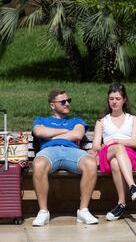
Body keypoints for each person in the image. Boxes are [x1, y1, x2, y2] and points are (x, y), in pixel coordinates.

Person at [31, 89, 98, 226]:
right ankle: (43, 212)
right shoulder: (41, 120)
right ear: (52, 105)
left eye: (68, 101)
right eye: (63, 102)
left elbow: (78, 135)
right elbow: (38, 131)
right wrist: (66, 131)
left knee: (91, 163)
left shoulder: (76, 120)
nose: (67, 104)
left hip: (71, 151)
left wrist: (51, 136)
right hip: (49, 151)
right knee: (38, 164)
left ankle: (83, 211)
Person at [91, 83, 136, 221]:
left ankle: (121, 204)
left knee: (115, 163)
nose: (114, 101)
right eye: (111, 98)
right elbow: (96, 145)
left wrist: (114, 140)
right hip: (106, 154)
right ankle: (132, 187)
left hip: (127, 155)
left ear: (124, 100)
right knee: (116, 151)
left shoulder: (133, 119)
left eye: (118, 98)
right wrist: (111, 145)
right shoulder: (102, 121)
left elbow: (133, 142)